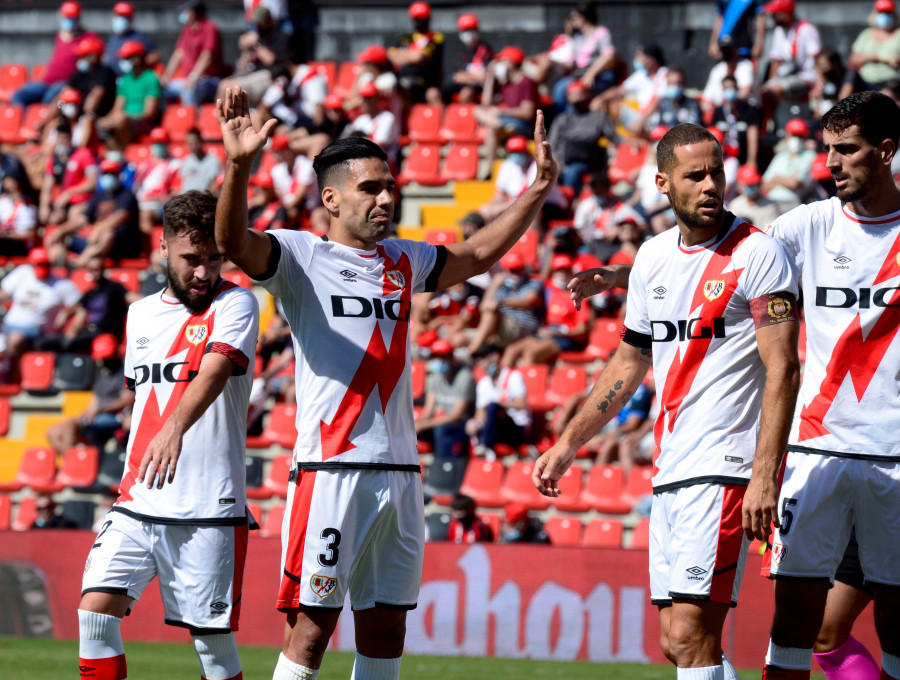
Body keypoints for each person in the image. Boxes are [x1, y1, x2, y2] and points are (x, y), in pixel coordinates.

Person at [214, 86, 557, 680]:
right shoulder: (301, 257)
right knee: (312, 631)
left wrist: (536, 190)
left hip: (400, 472)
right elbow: (231, 244)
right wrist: (239, 167)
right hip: (329, 470)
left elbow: (474, 255)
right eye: (370, 188)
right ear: (331, 198)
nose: (385, 198)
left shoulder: (404, 260)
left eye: (390, 186)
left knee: (385, 632)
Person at [535, 123, 801, 680]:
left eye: (716, 173)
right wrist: (568, 444)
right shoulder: (654, 257)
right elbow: (629, 362)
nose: (710, 185)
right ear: (662, 182)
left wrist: (763, 473)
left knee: (690, 635)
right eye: (694, 175)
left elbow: (784, 367)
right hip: (671, 469)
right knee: (674, 644)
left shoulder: (760, 254)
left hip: (725, 468)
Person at [77, 190, 259, 680]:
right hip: (138, 499)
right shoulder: (139, 314)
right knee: (95, 613)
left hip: (207, 506)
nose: (204, 272)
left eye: (214, 259)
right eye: (191, 259)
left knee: (213, 651)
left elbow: (215, 371)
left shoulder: (237, 302)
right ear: (163, 248)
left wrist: (174, 428)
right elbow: (144, 397)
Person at [757, 90, 900, 680]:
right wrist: (627, 270)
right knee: (796, 624)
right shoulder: (803, 226)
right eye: (827, 151)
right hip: (815, 452)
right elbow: (722, 264)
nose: (831, 163)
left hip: (895, 456)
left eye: (848, 149)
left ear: (886, 151)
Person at [45, 332, 134, 456]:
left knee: (71, 428)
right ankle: (73, 462)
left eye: (106, 358)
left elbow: (127, 400)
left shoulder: (125, 370)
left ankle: (72, 465)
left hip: (116, 416)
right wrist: (82, 416)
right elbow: (95, 400)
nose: (103, 361)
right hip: (97, 415)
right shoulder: (103, 374)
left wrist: (99, 409)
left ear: (114, 353)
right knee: (53, 432)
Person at [10, 1, 101, 109]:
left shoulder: (89, 37)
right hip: (46, 83)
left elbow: (98, 58)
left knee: (52, 101)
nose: (69, 21)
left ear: (79, 18)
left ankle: (44, 120)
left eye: (72, 17)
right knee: (18, 96)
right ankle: (22, 123)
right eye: (66, 17)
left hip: (66, 85)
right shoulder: (60, 35)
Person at [547, 80, 620, 194]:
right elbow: (552, 143)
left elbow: (615, 138)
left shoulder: (598, 117)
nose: (577, 97)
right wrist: (556, 162)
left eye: (580, 93)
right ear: (569, 98)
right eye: (573, 94)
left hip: (588, 161)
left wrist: (629, 142)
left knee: (575, 171)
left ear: (588, 95)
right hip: (564, 160)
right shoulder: (562, 119)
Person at [474, 46, 539, 171]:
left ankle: (490, 171)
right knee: (477, 110)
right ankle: (497, 124)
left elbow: (527, 113)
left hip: (523, 125)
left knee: (491, 128)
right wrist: (490, 78)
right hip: (505, 122)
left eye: (501, 61)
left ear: (510, 63)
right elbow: (485, 103)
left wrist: (500, 111)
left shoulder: (526, 82)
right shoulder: (505, 83)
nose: (498, 65)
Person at [759, 0, 821, 124]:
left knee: (773, 90)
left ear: (784, 14)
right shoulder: (779, 31)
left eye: (775, 13)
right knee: (763, 92)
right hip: (786, 76)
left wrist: (819, 86)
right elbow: (776, 61)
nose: (772, 17)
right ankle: (771, 124)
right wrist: (772, 81)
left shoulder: (805, 28)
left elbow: (817, 59)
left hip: (806, 77)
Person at [415, 339, 476, 458]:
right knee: (414, 432)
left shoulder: (465, 377)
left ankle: (442, 467)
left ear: (452, 358)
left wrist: (425, 425)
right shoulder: (435, 378)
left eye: (444, 357)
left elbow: (456, 416)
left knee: (441, 430)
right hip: (444, 421)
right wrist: (418, 425)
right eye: (436, 357)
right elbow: (428, 411)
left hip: (464, 424)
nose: (440, 361)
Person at [162, 0, 226, 108]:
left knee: (189, 90)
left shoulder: (210, 28)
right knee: (162, 89)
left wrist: (193, 77)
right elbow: (178, 53)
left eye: (186, 11)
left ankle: (191, 122)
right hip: (188, 79)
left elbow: (207, 56)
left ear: (194, 12)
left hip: (209, 79)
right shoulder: (187, 29)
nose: (183, 14)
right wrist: (167, 76)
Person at [389, 1, 445, 105]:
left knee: (431, 93)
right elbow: (390, 56)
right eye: (416, 19)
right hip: (400, 77)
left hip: (424, 82)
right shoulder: (406, 38)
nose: (418, 22)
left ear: (428, 19)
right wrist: (412, 55)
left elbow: (420, 58)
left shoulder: (435, 37)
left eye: (422, 19)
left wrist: (403, 54)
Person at [761, 118, 816, 214]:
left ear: (806, 138)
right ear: (787, 136)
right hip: (771, 201)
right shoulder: (780, 156)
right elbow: (764, 184)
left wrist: (776, 178)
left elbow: (796, 184)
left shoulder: (810, 156)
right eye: (793, 135)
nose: (797, 139)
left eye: (800, 136)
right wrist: (788, 179)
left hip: (792, 203)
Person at [848, 0, 900, 89]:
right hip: (866, 82)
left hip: (890, 83)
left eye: (888, 13)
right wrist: (869, 57)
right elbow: (853, 60)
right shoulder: (867, 34)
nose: (885, 16)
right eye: (881, 13)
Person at [103, 1, 159, 78]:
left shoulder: (141, 37)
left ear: (131, 19)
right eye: (118, 16)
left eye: (125, 17)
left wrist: (135, 64)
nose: (120, 20)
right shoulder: (112, 38)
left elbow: (155, 56)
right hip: (113, 80)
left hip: (133, 79)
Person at [179, 128, 224, 193]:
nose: (192, 145)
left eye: (194, 142)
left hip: (203, 200)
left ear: (200, 141)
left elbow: (218, 183)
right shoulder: (186, 161)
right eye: (189, 143)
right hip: (186, 200)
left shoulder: (213, 161)